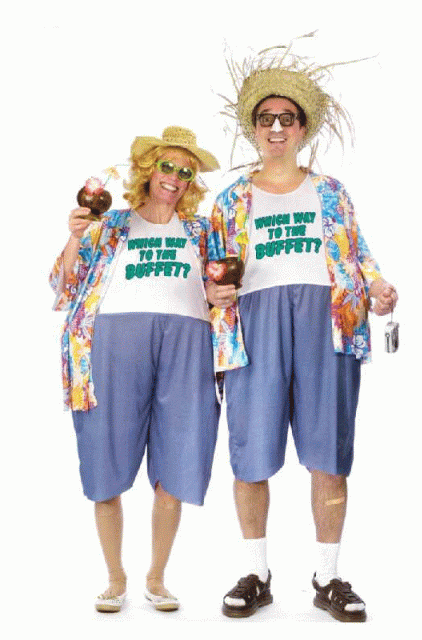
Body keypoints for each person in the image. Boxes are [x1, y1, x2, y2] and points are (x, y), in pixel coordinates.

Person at [206, 47, 398, 622]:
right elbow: (209, 273)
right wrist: (213, 292)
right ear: (253, 129)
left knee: (329, 456)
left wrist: (379, 286)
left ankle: (328, 576)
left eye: (286, 119)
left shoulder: (331, 191)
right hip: (253, 326)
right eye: (266, 119)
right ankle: (256, 573)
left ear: (302, 128)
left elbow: (359, 255)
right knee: (250, 456)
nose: (276, 128)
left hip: (328, 323)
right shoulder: (231, 199)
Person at [50, 126, 220, 613]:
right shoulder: (109, 224)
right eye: (167, 166)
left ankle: (157, 577)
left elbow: (217, 289)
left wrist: (218, 294)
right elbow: (63, 285)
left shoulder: (201, 231)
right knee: (105, 455)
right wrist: (74, 237)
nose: (175, 177)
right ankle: (115, 578)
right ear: (148, 170)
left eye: (185, 171)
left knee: (178, 458)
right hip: (113, 340)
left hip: (187, 344)